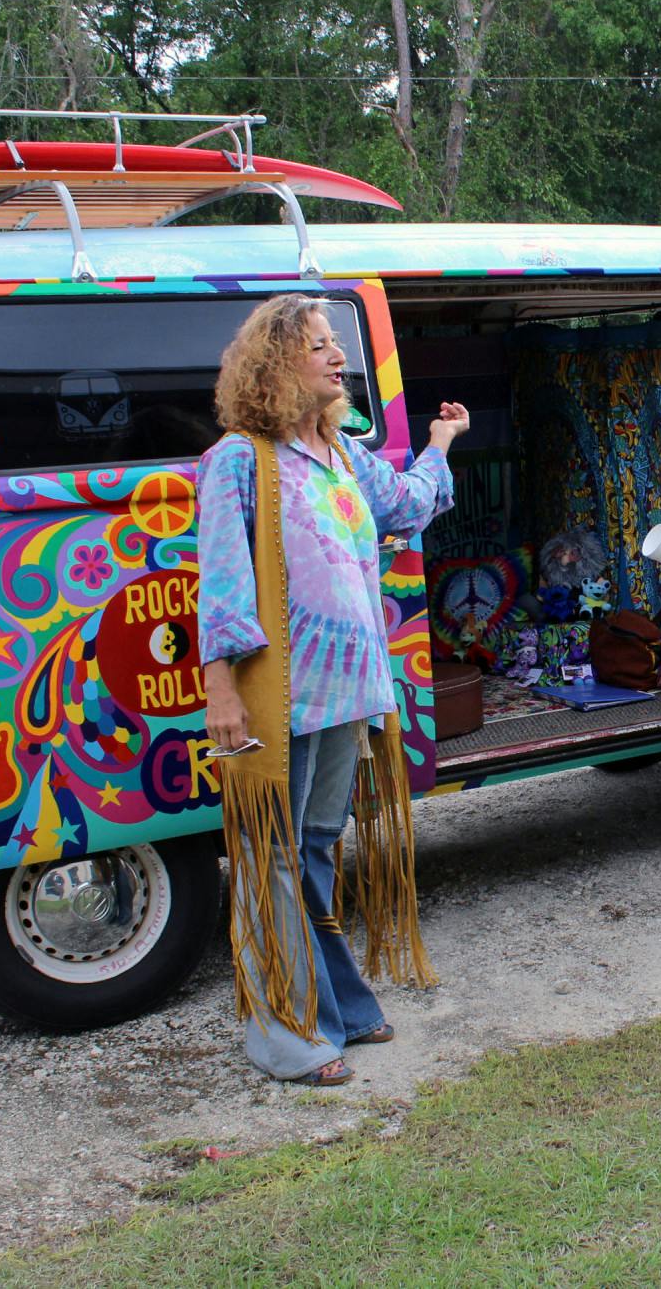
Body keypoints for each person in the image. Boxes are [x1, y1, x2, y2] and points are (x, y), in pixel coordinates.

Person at [196, 293, 468, 1085]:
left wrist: (440, 441)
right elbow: (222, 585)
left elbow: (411, 508)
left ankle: (337, 1005)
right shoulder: (239, 460)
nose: (335, 356)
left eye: (334, 344)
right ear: (276, 363)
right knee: (270, 855)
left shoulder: (346, 455)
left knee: (314, 849)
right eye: (317, 345)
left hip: (347, 691)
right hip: (278, 696)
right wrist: (221, 689)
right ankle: (285, 1035)